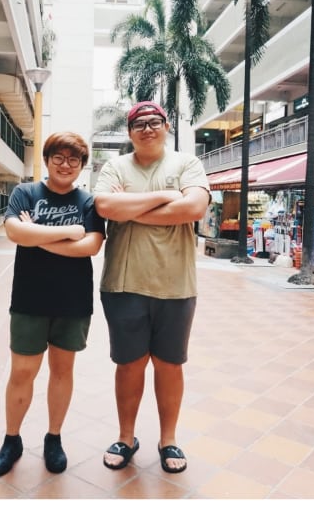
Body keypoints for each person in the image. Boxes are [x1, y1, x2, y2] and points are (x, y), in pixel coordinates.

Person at [93, 101, 210, 473]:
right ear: (129, 132)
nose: (147, 128)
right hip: (124, 284)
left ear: (166, 126)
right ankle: (126, 437)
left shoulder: (187, 164)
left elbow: (193, 209)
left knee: (169, 364)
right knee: (129, 365)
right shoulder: (115, 166)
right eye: (139, 123)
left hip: (176, 285)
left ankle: (169, 439)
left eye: (154, 121)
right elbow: (106, 206)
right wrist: (165, 197)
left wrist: (133, 210)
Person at [0, 132, 106, 476]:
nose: (65, 165)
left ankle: (53, 438)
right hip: (29, 299)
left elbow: (90, 247)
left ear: (82, 166)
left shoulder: (88, 201)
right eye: (59, 157)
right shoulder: (25, 193)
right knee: (22, 372)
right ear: (47, 159)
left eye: (73, 159)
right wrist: (69, 231)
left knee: (62, 371)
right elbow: (14, 232)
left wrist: (37, 236)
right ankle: (12, 439)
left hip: (72, 302)